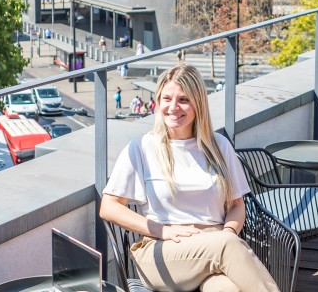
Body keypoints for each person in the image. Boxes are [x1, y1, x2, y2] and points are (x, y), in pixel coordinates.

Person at [100, 66, 278, 292]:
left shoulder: (219, 146)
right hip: (163, 251)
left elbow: (236, 205)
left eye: (183, 100)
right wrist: (161, 230)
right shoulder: (142, 148)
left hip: (215, 246)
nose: (173, 107)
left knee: (226, 289)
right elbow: (108, 207)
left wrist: (228, 233)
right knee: (227, 248)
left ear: (198, 104)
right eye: (167, 98)